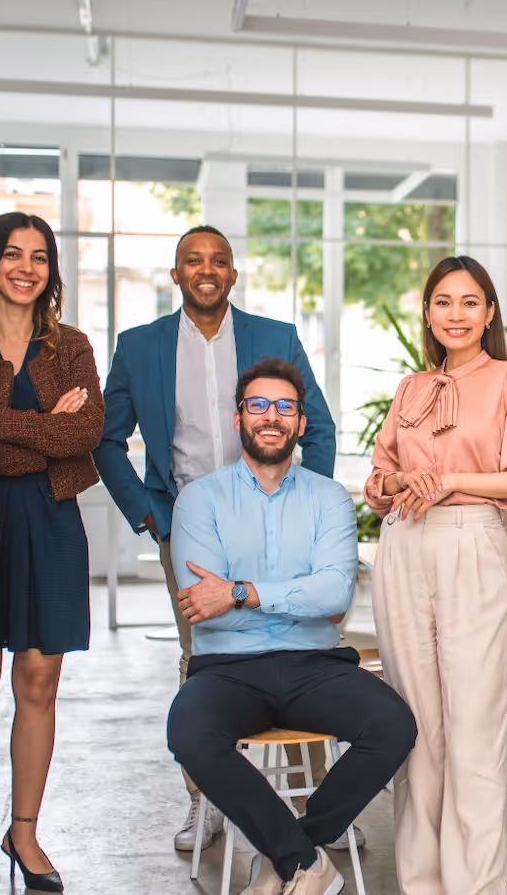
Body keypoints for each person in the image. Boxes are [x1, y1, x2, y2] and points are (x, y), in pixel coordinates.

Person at [94, 225, 336, 850]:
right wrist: (150, 515)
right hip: (190, 524)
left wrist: (307, 503)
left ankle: (318, 810)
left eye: (218, 261)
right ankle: (206, 804)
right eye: (192, 261)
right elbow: (106, 438)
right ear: (175, 275)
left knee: (298, 648)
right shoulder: (139, 346)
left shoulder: (275, 338)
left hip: (279, 511)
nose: (206, 270)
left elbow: (321, 429)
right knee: (203, 660)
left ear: (233, 274)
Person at [166, 357, 416, 895]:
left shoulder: (328, 498)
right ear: (239, 419)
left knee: (394, 726)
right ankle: (304, 860)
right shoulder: (198, 499)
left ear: (302, 423)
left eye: (285, 407)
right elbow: (199, 601)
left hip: (315, 664)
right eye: (258, 405)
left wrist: (239, 591)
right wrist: (290, 596)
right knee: (188, 731)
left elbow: (333, 596)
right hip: (227, 669)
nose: (271, 416)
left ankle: (287, 854)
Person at [363, 256, 507, 894]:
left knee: (475, 727)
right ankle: (420, 883)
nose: (456, 314)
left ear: (490, 312)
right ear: (427, 313)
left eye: (469, 302)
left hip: (471, 540)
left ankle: (474, 886)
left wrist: (450, 481)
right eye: (443, 302)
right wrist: (401, 479)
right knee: (415, 729)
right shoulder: (411, 388)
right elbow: (378, 481)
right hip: (403, 545)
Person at [0, 213, 103, 894]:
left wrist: (2, 425)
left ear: (52, 270)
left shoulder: (70, 345)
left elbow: (87, 433)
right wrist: (46, 426)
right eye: (13, 254)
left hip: (49, 517)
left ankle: (24, 829)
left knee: (37, 681)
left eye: (40, 257)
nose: (26, 267)